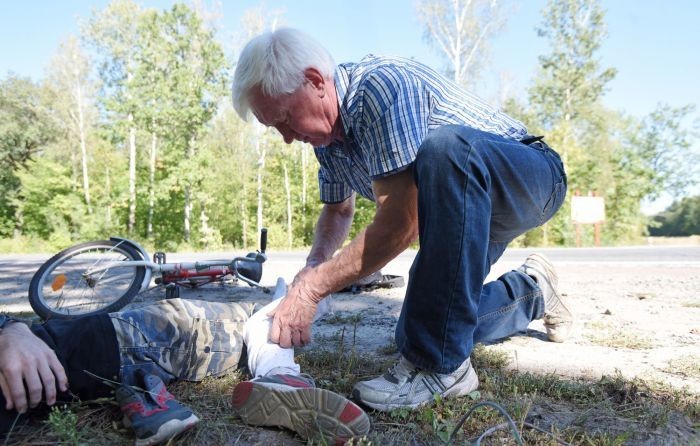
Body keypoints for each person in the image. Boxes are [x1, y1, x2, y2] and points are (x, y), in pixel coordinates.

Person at [231, 28, 573, 411]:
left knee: (446, 150)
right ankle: (533, 291)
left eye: (284, 120)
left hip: (529, 179)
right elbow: (337, 210)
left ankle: (445, 371)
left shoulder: (381, 87)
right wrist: (313, 265)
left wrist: (312, 290)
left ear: (315, 82)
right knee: (427, 328)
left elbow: (401, 223)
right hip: (464, 208)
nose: (286, 138)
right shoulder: (328, 142)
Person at [0, 279, 370, 444]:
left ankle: (306, 300)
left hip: (110, 346)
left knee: (268, 312)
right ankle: (285, 374)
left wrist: (10, 330)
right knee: (264, 316)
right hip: (124, 347)